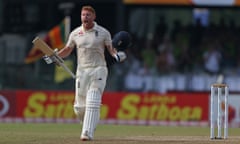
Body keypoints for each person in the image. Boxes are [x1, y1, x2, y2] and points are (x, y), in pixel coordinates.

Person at [43, 5, 129, 141]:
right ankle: (90, 123)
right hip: (82, 71)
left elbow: (111, 49)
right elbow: (67, 50)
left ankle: (87, 133)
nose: (85, 17)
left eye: (88, 15)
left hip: (98, 69)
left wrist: (117, 55)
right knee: (79, 108)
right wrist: (55, 55)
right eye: (83, 15)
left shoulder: (103, 32)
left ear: (93, 17)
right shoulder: (75, 33)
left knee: (93, 99)